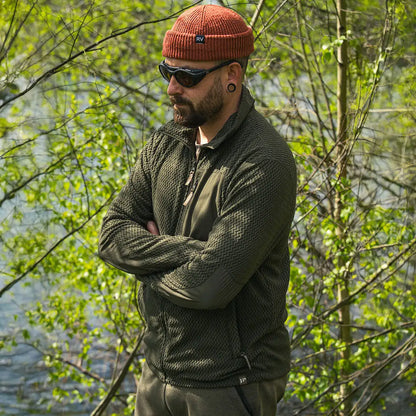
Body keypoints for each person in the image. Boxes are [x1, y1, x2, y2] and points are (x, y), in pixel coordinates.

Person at [98, 4, 297, 416]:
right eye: (167, 72)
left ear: (231, 76)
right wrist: (192, 252)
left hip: (230, 384)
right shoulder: (167, 142)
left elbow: (208, 286)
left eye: (188, 76)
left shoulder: (263, 162)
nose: (172, 88)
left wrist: (146, 261)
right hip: (156, 372)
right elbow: (112, 233)